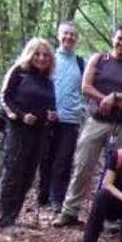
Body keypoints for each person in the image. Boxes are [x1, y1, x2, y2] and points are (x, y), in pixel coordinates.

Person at [54, 22, 122, 227]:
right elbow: (86, 87)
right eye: (120, 38)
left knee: (117, 171)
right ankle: (69, 211)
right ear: (113, 37)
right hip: (96, 121)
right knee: (83, 164)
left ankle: (110, 215)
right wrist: (104, 99)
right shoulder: (99, 59)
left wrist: (114, 97)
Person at [0, 37, 57, 230]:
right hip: (18, 131)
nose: (41, 58)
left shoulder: (47, 80)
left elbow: (50, 105)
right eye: (38, 54)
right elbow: (4, 99)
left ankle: (14, 215)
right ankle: (6, 218)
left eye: (46, 55)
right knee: (13, 172)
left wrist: (51, 114)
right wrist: (21, 116)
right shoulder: (18, 73)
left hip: (40, 132)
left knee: (29, 174)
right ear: (30, 54)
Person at [37, 21, 85, 214]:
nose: (69, 38)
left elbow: (86, 89)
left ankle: (58, 198)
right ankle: (44, 196)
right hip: (47, 117)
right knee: (46, 158)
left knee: (63, 160)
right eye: (65, 34)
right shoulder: (48, 59)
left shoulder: (81, 63)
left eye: (72, 35)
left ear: (76, 38)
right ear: (59, 35)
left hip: (70, 118)